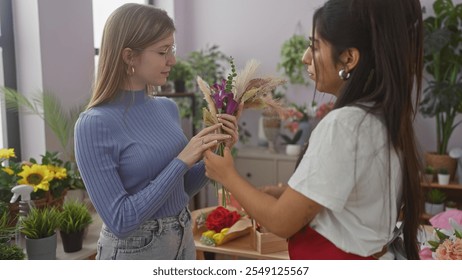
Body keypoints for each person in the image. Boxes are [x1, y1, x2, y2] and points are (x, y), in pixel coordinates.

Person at [204, 0, 423, 260]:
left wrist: (227, 175)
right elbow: (354, 203)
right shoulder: (379, 118)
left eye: (315, 46)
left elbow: (281, 221)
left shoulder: (345, 124)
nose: (305, 57)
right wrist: (290, 194)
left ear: (349, 58)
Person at [74, 3, 238, 260]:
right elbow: (121, 220)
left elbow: (182, 188)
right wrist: (181, 160)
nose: (172, 60)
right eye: (163, 51)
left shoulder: (167, 108)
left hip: (183, 236)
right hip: (135, 251)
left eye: (171, 49)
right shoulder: (94, 124)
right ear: (129, 56)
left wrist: (217, 147)